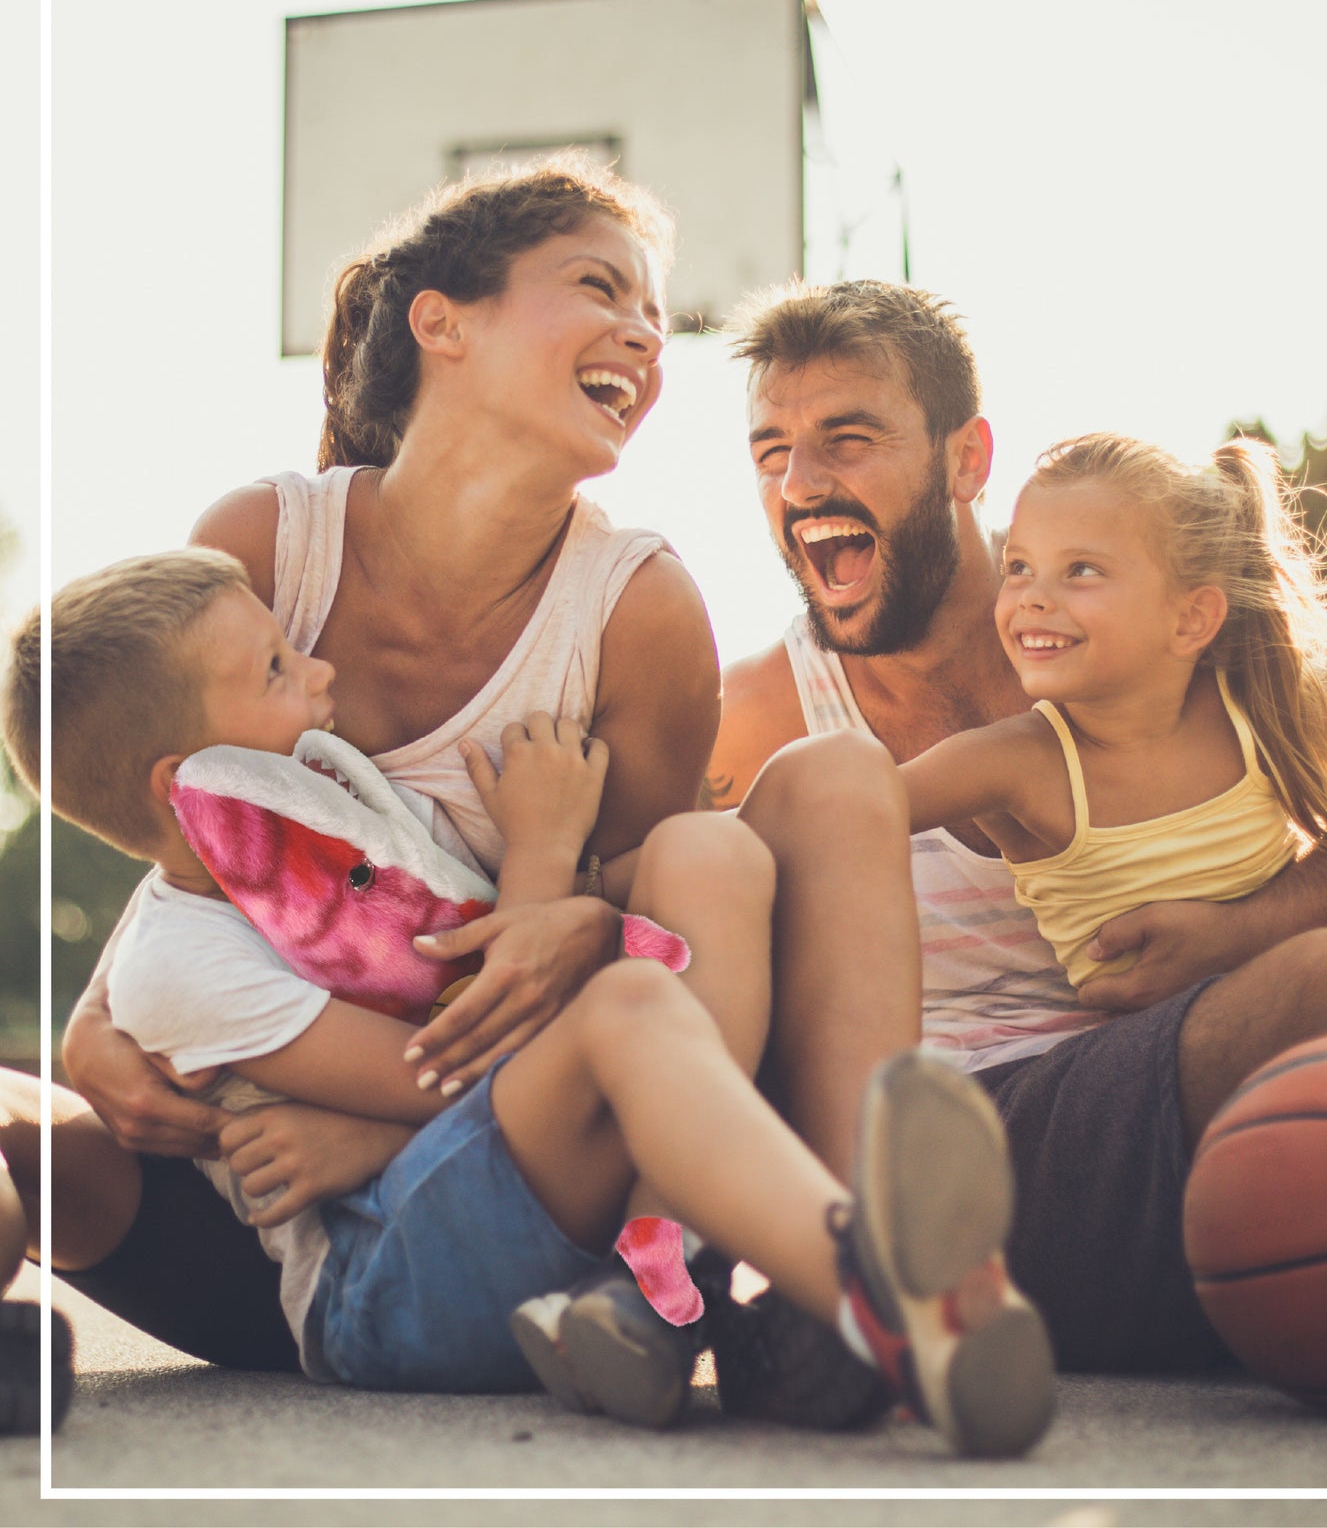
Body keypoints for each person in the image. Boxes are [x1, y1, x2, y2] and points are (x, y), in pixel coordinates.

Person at [42, 164, 925, 1417]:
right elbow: (186, 822)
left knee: (817, 788)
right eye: (595, 285)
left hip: (537, 1087)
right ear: (440, 322)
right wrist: (94, 1018)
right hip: (308, 1155)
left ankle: (793, 1275)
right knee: (36, 1128)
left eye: (653, 313)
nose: (641, 330)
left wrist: (578, 907)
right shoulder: (265, 546)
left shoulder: (635, 605)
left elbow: (647, 902)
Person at [1, 548, 1055, 1456]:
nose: (317, 670)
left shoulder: (350, 810)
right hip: (381, 1286)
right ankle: (875, 1283)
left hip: (490, 1200)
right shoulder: (174, 962)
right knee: (631, 1010)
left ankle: (721, 1286)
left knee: (703, 857)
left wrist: (611, 887)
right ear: (185, 779)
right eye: (277, 667)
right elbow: (450, 1066)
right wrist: (545, 858)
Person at [707, 278, 1327, 1375]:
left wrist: (1242, 928)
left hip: (1185, 1087)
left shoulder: (1130, 623)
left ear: (966, 459)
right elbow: (661, 900)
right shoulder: (760, 712)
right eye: (770, 451)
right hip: (968, 1146)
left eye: (845, 439)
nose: (800, 482)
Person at [900, 430, 1327, 990]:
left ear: (1190, 619)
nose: (1032, 597)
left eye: (1081, 569)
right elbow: (852, 809)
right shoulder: (1010, 761)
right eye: (1017, 566)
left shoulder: (1255, 709)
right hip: (1185, 1033)